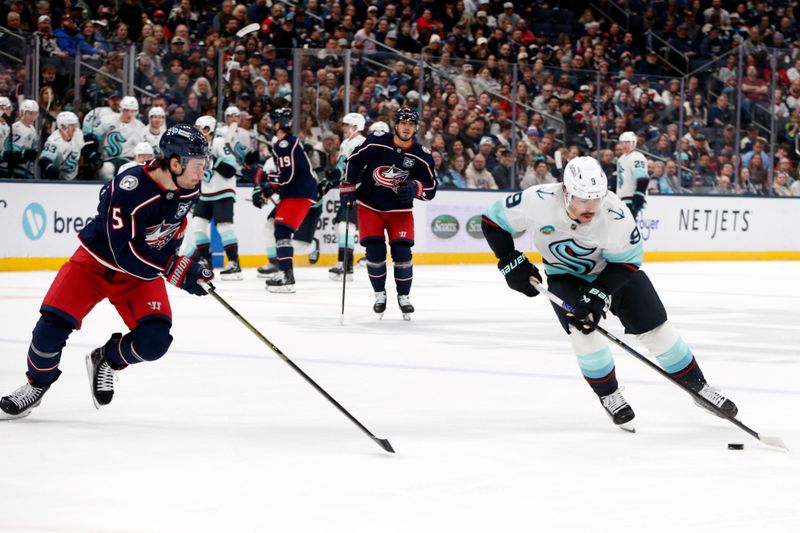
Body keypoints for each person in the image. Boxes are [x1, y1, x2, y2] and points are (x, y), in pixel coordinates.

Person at [480, 156, 737, 431]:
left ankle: (699, 387)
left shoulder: (615, 213)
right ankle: (609, 394)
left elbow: (627, 261)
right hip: (564, 276)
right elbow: (492, 222)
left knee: (657, 330)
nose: (591, 207)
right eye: (582, 198)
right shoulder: (537, 200)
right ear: (565, 191)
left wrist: (598, 294)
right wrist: (509, 261)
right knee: (584, 334)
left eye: (597, 198)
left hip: (614, 271)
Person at [0, 125, 213, 419]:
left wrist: (190, 267)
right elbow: (123, 252)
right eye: (198, 165)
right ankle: (36, 385)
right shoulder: (130, 188)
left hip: (140, 275)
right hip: (94, 264)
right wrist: (172, 268)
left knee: (155, 342)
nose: (202, 173)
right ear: (175, 162)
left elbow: (171, 234)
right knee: (49, 331)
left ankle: (107, 360)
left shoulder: (189, 187)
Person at [341, 107, 437, 319]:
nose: (406, 127)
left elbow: (431, 189)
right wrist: (348, 186)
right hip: (369, 206)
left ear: (416, 127)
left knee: (403, 254)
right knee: (374, 252)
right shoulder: (377, 141)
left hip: (400, 211)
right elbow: (354, 161)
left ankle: (403, 297)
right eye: (403, 122)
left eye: (411, 124)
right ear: (396, 124)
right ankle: (379, 294)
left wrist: (415, 188)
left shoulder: (421, 156)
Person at [252, 108, 319, 293]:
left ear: (278, 124)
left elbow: (287, 177)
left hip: (299, 193)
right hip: (295, 193)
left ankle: (287, 275)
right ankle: (285, 273)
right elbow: (285, 178)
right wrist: (268, 190)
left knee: (282, 231)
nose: (270, 123)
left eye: (272, 120)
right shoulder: (285, 143)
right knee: (278, 229)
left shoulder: (285, 144)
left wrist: (265, 179)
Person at [189, 115, 243, 280]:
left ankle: (234, 263)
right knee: (197, 226)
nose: (196, 132)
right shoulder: (197, 149)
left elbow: (230, 169)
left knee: (224, 227)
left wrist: (216, 159)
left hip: (223, 192)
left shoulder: (219, 143)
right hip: (206, 194)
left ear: (207, 129)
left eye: (199, 129)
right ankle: (206, 261)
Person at [329, 112, 367, 281]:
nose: (343, 128)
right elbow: (341, 168)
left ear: (355, 127)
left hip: (357, 191)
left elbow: (365, 169)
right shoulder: (346, 143)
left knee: (347, 225)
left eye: (346, 125)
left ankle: (346, 264)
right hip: (346, 190)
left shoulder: (362, 143)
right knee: (342, 226)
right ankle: (345, 264)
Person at [94, 96, 148, 180]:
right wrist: (94, 154)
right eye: (126, 110)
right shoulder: (107, 120)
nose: (129, 114)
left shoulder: (140, 127)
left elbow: (145, 149)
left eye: (133, 111)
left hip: (129, 160)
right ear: (121, 109)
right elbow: (93, 137)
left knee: (127, 171)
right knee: (105, 170)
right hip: (109, 160)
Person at [39, 111, 84, 181]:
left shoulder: (78, 134)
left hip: (74, 179)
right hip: (58, 181)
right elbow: (44, 160)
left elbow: (84, 147)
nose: (75, 128)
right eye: (72, 125)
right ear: (63, 127)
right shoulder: (53, 140)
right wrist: (50, 168)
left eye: (75, 125)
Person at [2, 99, 39, 179]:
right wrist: (24, 154)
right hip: (17, 171)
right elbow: (11, 152)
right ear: (23, 112)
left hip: (28, 170)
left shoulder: (33, 128)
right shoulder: (15, 128)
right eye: (30, 113)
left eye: (35, 114)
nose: (33, 117)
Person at [616, 131, 649, 218]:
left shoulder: (636, 157)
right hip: (621, 198)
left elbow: (643, 179)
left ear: (634, 143)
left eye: (627, 142)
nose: (624, 145)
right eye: (622, 142)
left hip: (631, 199)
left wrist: (639, 194)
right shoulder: (621, 159)